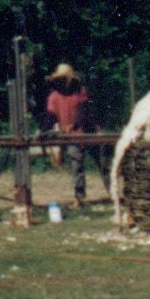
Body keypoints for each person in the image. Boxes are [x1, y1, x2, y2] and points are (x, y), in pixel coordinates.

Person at [42, 63, 105, 208]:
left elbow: (85, 111)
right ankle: (79, 197)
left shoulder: (80, 92)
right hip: (71, 136)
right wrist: (43, 131)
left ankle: (113, 192)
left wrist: (75, 124)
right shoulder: (54, 97)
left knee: (102, 164)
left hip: (88, 132)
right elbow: (50, 116)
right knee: (76, 165)